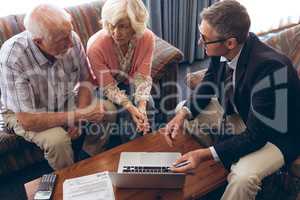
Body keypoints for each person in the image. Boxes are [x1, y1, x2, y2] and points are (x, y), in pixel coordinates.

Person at [162, 1, 300, 199]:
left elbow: (256, 135)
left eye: (204, 39)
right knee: (181, 110)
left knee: (242, 178)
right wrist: (183, 114)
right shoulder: (223, 49)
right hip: (244, 113)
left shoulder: (270, 69)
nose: (200, 42)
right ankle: (213, 170)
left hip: (278, 135)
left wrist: (205, 154)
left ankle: (217, 160)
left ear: (230, 43)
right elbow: (209, 81)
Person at [0, 4, 116, 170]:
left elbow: (86, 80)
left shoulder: (70, 38)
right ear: (38, 41)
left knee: (108, 110)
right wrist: (76, 115)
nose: (70, 43)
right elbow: (27, 120)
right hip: (25, 114)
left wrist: (80, 117)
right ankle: (70, 178)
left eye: (69, 33)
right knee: (58, 141)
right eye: (62, 40)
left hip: (63, 98)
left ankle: (89, 160)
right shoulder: (14, 57)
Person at [87, 0, 155, 142]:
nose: (116, 33)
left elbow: (142, 76)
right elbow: (107, 86)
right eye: (112, 25)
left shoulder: (147, 38)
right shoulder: (95, 46)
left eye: (123, 26)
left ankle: (147, 144)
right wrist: (130, 107)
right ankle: (129, 150)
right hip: (102, 87)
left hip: (128, 82)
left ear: (135, 25)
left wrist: (141, 106)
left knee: (149, 105)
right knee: (126, 112)